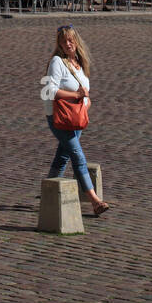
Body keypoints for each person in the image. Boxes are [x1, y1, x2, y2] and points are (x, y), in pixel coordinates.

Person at [40, 25, 110, 216]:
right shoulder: (57, 62)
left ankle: (48, 193)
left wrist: (86, 102)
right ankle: (95, 201)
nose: (67, 44)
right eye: (63, 42)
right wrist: (75, 95)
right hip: (59, 118)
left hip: (76, 117)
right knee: (77, 156)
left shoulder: (80, 63)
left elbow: (85, 92)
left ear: (76, 41)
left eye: (70, 40)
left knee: (63, 156)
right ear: (59, 45)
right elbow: (49, 90)